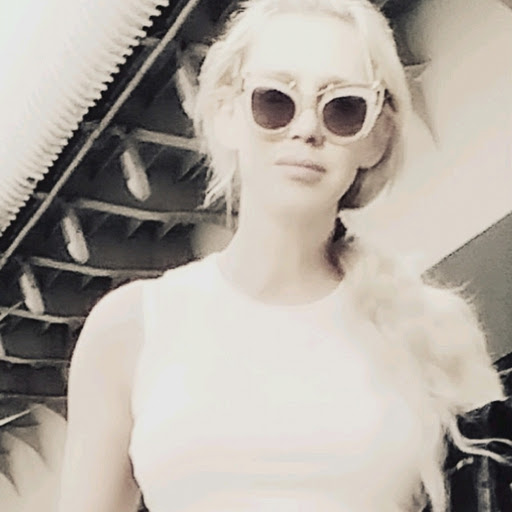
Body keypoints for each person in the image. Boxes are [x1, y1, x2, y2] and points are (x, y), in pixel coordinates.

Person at [57, 1, 510, 511]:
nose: (306, 128)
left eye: (343, 107)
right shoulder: (131, 328)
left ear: (376, 135)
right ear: (226, 112)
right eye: (275, 100)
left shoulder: (434, 331)